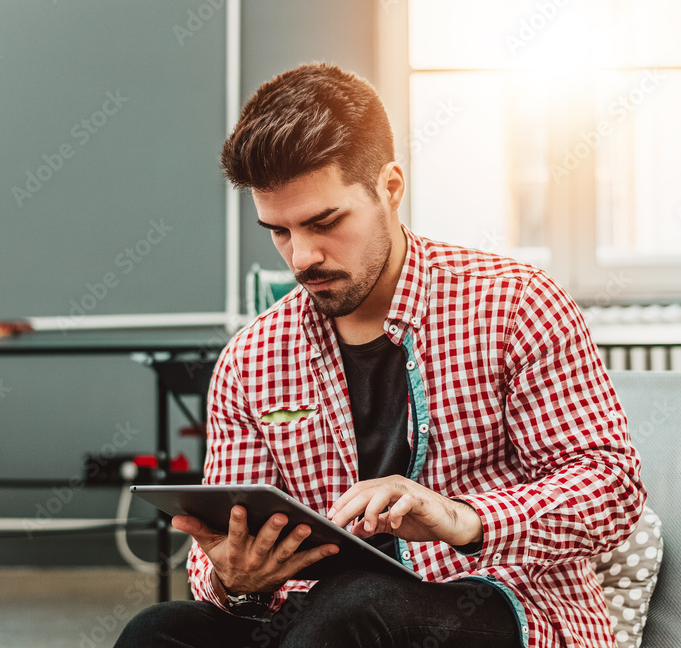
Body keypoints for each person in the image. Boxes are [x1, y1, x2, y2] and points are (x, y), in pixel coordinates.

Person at [114, 62, 645, 648]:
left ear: (390, 187)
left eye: (325, 221)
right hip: (315, 622)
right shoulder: (253, 358)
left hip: (497, 601)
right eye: (280, 231)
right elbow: (215, 563)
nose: (302, 257)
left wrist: (463, 518)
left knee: (354, 606)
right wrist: (235, 581)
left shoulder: (514, 302)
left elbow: (611, 486)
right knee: (158, 632)